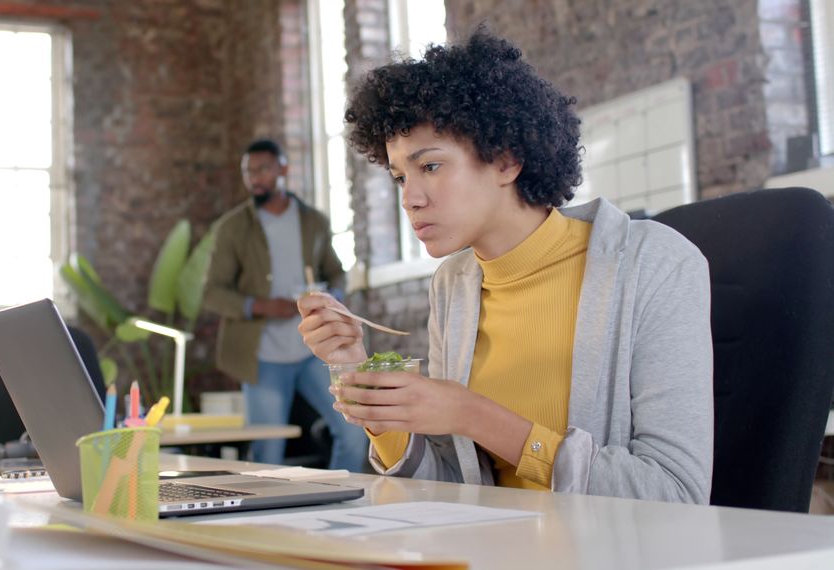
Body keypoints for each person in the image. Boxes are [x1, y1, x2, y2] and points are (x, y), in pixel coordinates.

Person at [297, 29, 713, 503]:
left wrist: (475, 415)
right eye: (399, 176)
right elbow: (450, 488)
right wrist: (359, 373)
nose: (410, 199)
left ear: (506, 160)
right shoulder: (454, 285)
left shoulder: (654, 264)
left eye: (430, 166)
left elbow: (675, 496)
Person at [203, 138, 368, 471]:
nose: (255, 178)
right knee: (268, 452)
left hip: (316, 354)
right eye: (248, 172)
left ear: (283, 169)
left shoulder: (314, 222)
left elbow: (336, 274)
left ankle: (338, 502)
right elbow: (213, 292)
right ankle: (268, 521)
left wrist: (330, 299)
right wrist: (264, 307)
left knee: (354, 432)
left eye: (262, 169)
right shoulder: (232, 228)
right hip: (262, 358)